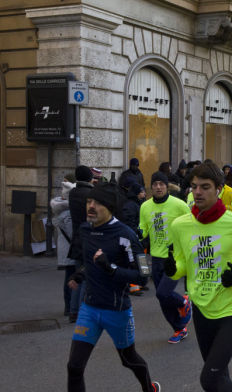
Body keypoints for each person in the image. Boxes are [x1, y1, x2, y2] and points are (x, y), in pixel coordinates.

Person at [164, 161, 232, 391]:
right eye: (194, 187)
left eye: (205, 187)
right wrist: (174, 269)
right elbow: (184, 264)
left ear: (219, 189)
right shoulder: (180, 225)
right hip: (201, 306)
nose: (198, 192)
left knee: (209, 379)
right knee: (219, 376)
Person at [66, 183, 160, 392]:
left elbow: (144, 275)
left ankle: (149, 388)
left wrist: (111, 268)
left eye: (97, 203)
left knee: (129, 360)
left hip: (117, 311)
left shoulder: (127, 235)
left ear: (109, 207)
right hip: (89, 309)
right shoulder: (85, 229)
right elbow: (91, 260)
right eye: (89, 201)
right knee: (74, 366)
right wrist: (80, 274)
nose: (91, 206)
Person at [139, 171, 192, 343]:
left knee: (163, 292)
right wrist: (138, 233)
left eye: (161, 184)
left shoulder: (179, 205)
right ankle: (179, 329)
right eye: (155, 184)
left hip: (175, 258)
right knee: (161, 297)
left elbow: (191, 225)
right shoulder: (145, 206)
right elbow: (143, 229)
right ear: (151, 187)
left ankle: (183, 302)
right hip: (155, 257)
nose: (158, 187)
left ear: (166, 186)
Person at [67, 165, 95, 322]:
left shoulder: (73, 192)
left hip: (76, 237)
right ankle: (82, 311)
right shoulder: (90, 194)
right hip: (89, 237)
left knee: (77, 274)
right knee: (86, 276)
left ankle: (73, 311)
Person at [52, 180, 76, 318]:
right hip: (70, 251)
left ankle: (69, 306)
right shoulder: (67, 213)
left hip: (66, 250)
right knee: (71, 279)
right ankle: (69, 307)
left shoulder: (61, 210)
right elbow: (72, 233)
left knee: (70, 278)